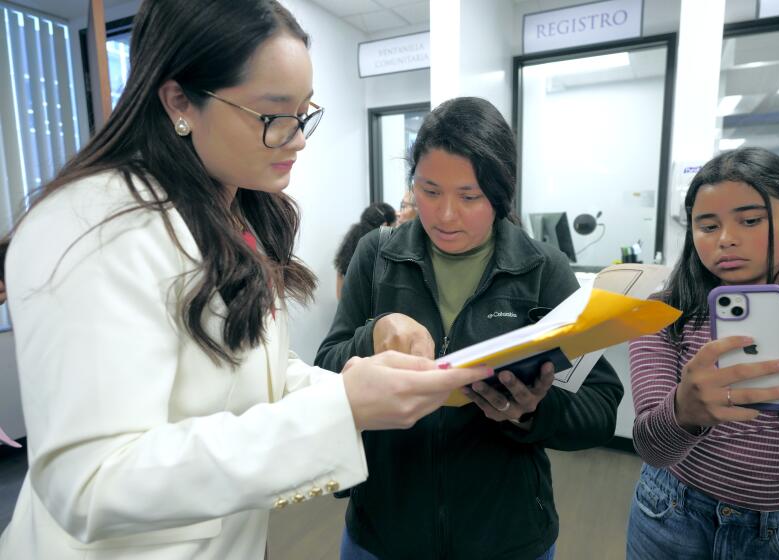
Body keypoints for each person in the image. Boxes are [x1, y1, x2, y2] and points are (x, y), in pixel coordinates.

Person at [0, 2, 490, 558]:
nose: (298, 138)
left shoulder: (234, 212)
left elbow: (259, 376)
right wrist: (343, 408)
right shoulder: (92, 227)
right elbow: (92, 483)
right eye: (272, 115)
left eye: (304, 112)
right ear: (179, 100)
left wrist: (366, 386)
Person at [315, 96, 623, 560]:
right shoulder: (375, 257)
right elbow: (322, 372)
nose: (445, 215)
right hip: (383, 532)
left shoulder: (543, 268)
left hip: (507, 537)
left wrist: (532, 413)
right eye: (429, 190)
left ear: (500, 193)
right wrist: (371, 335)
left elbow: (599, 406)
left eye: (469, 196)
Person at [626, 147, 779, 559]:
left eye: (750, 220)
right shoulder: (663, 312)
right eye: (707, 225)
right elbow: (652, 447)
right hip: (670, 510)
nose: (726, 239)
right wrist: (685, 411)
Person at [334, 202, 396, 298]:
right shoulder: (380, 254)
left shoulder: (348, 248)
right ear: (385, 226)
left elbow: (339, 296)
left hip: (348, 310)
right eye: (394, 227)